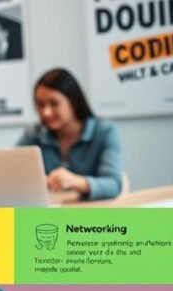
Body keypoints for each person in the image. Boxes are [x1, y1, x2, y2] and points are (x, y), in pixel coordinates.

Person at [17, 68, 123, 201]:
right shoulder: (33, 134)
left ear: (73, 101)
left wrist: (76, 182)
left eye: (54, 103)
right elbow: (12, 173)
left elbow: (114, 185)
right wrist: (35, 181)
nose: (46, 112)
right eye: (40, 104)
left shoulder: (105, 131)